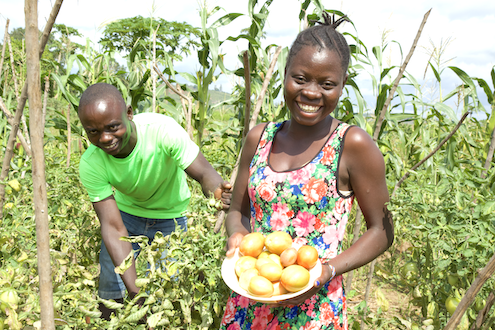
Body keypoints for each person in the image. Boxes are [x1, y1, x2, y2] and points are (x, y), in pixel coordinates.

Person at [221, 13, 394, 329]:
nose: (312, 93)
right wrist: (237, 236)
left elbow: (382, 231)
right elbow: (238, 211)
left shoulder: (352, 144)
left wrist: (325, 271)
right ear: (285, 75)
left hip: (314, 310)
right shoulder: (258, 138)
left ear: (342, 85)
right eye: (300, 79)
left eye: (327, 84)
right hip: (249, 301)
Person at [77, 83, 232, 320]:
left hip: (172, 217)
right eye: (93, 132)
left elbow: (203, 173)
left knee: (166, 293)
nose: (105, 138)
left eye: (112, 127)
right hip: (125, 217)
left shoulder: (161, 131)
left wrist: (218, 192)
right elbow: (112, 227)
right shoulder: (92, 162)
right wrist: (136, 292)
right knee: (112, 287)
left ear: (129, 113)